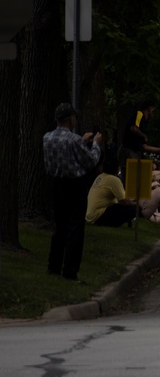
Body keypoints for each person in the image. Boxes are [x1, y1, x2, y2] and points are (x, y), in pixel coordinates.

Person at [43, 103, 103, 281]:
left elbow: (64, 153)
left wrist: (82, 141)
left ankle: (53, 266)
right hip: (75, 185)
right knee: (75, 228)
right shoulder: (74, 140)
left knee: (59, 226)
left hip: (56, 183)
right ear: (70, 120)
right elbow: (90, 160)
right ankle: (70, 271)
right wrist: (96, 145)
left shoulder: (47, 137)